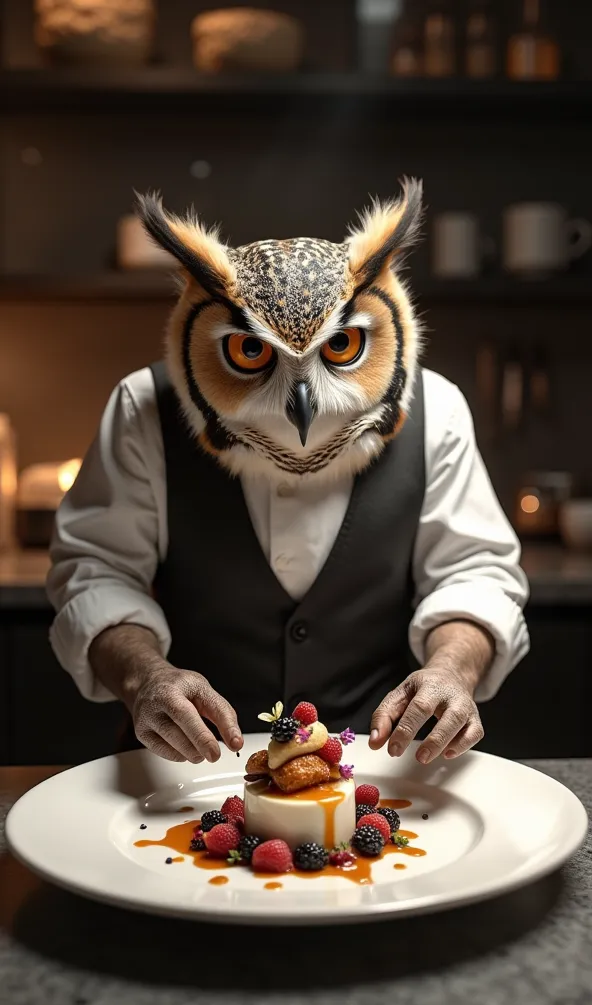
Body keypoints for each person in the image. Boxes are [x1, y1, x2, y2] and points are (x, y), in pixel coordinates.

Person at [47, 181, 529, 768]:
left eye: (343, 344)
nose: (300, 396)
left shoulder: (438, 409)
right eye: (252, 352)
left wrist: (452, 670)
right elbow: (96, 574)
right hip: (186, 774)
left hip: (386, 769)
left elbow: (474, 573)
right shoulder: (144, 408)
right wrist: (146, 677)